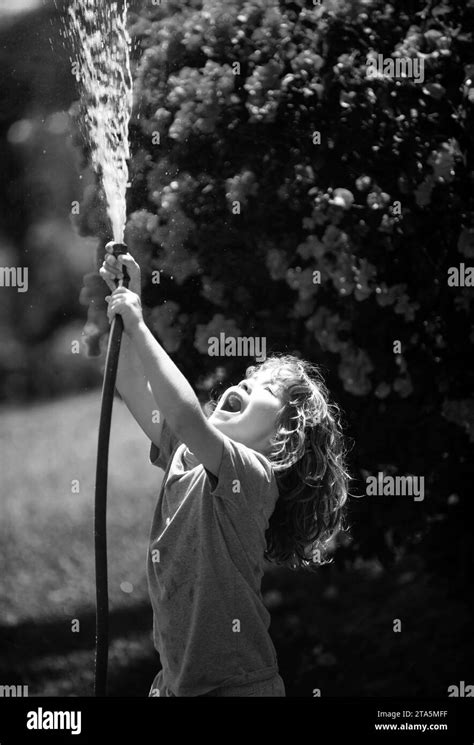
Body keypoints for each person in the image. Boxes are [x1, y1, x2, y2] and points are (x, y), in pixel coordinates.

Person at [99, 245, 350, 697]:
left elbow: (185, 415)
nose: (243, 383)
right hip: (179, 682)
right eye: (248, 377)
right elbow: (132, 385)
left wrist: (138, 324)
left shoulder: (253, 477)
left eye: (265, 389)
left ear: (283, 439)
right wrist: (127, 303)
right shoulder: (186, 456)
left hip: (238, 684)